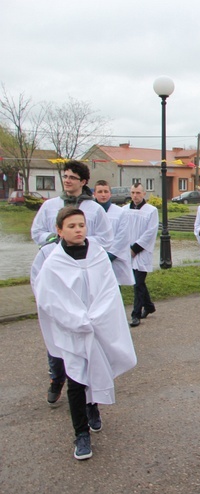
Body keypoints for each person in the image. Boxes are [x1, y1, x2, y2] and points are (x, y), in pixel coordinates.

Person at [34, 207, 137, 460]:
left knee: (95, 370)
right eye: (71, 226)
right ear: (59, 231)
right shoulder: (53, 263)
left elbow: (108, 290)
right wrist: (76, 319)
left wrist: (95, 317)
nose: (78, 229)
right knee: (77, 379)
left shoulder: (98, 255)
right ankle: (81, 434)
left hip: (97, 324)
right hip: (72, 329)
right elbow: (49, 298)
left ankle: (93, 408)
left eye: (81, 225)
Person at [30, 160, 114, 406]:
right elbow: (37, 232)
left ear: (83, 181)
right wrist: (55, 240)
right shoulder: (50, 206)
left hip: (84, 274)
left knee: (84, 333)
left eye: (72, 177)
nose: (67, 180)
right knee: (59, 331)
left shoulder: (94, 209)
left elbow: (106, 239)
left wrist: (82, 243)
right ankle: (57, 377)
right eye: (65, 176)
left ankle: (88, 394)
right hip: (58, 272)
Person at [121, 183, 159, 327]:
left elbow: (150, 232)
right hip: (127, 251)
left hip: (142, 251)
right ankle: (149, 306)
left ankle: (135, 314)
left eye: (138, 193)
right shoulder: (124, 210)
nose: (135, 196)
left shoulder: (151, 211)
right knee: (138, 282)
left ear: (144, 194)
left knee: (137, 282)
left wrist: (135, 248)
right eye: (133, 192)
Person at [93, 180, 135, 286]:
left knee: (113, 289)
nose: (103, 195)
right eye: (100, 192)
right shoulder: (90, 212)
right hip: (94, 258)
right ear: (94, 194)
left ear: (110, 194)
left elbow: (123, 237)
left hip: (114, 258)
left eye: (106, 191)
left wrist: (110, 255)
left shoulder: (120, 213)